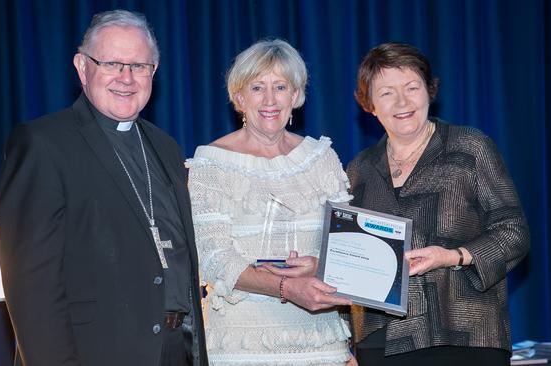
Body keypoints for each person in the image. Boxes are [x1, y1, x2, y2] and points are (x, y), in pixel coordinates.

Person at [0, 10, 207, 366]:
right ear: (82, 67)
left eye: (139, 66)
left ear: (153, 72)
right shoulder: (43, 144)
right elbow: (31, 286)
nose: (126, 78)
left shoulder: (165, 146)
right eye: (112, 63)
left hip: (174, 350)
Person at [346, 42, 530, 365]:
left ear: (429, 92)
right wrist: (347, 341)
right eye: (387, 92)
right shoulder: (359, 169)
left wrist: (453, 256)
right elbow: (350, 259)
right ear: (370, 105)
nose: (402, 101)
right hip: (379, 340)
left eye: (412, 87)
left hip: (462, 336)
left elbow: (514, 233)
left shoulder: (469, 148)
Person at [186, 39, 356, 365]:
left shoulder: (322, 159)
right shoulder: (211, 164)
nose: (269, 99)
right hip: (240, 344)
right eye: (257, 87)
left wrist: (320, 265)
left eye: (280, 87)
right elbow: (213, 258)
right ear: (239, 97)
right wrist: (285, 288)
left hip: (321, 342)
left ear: (295, 96)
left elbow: (346, 247)